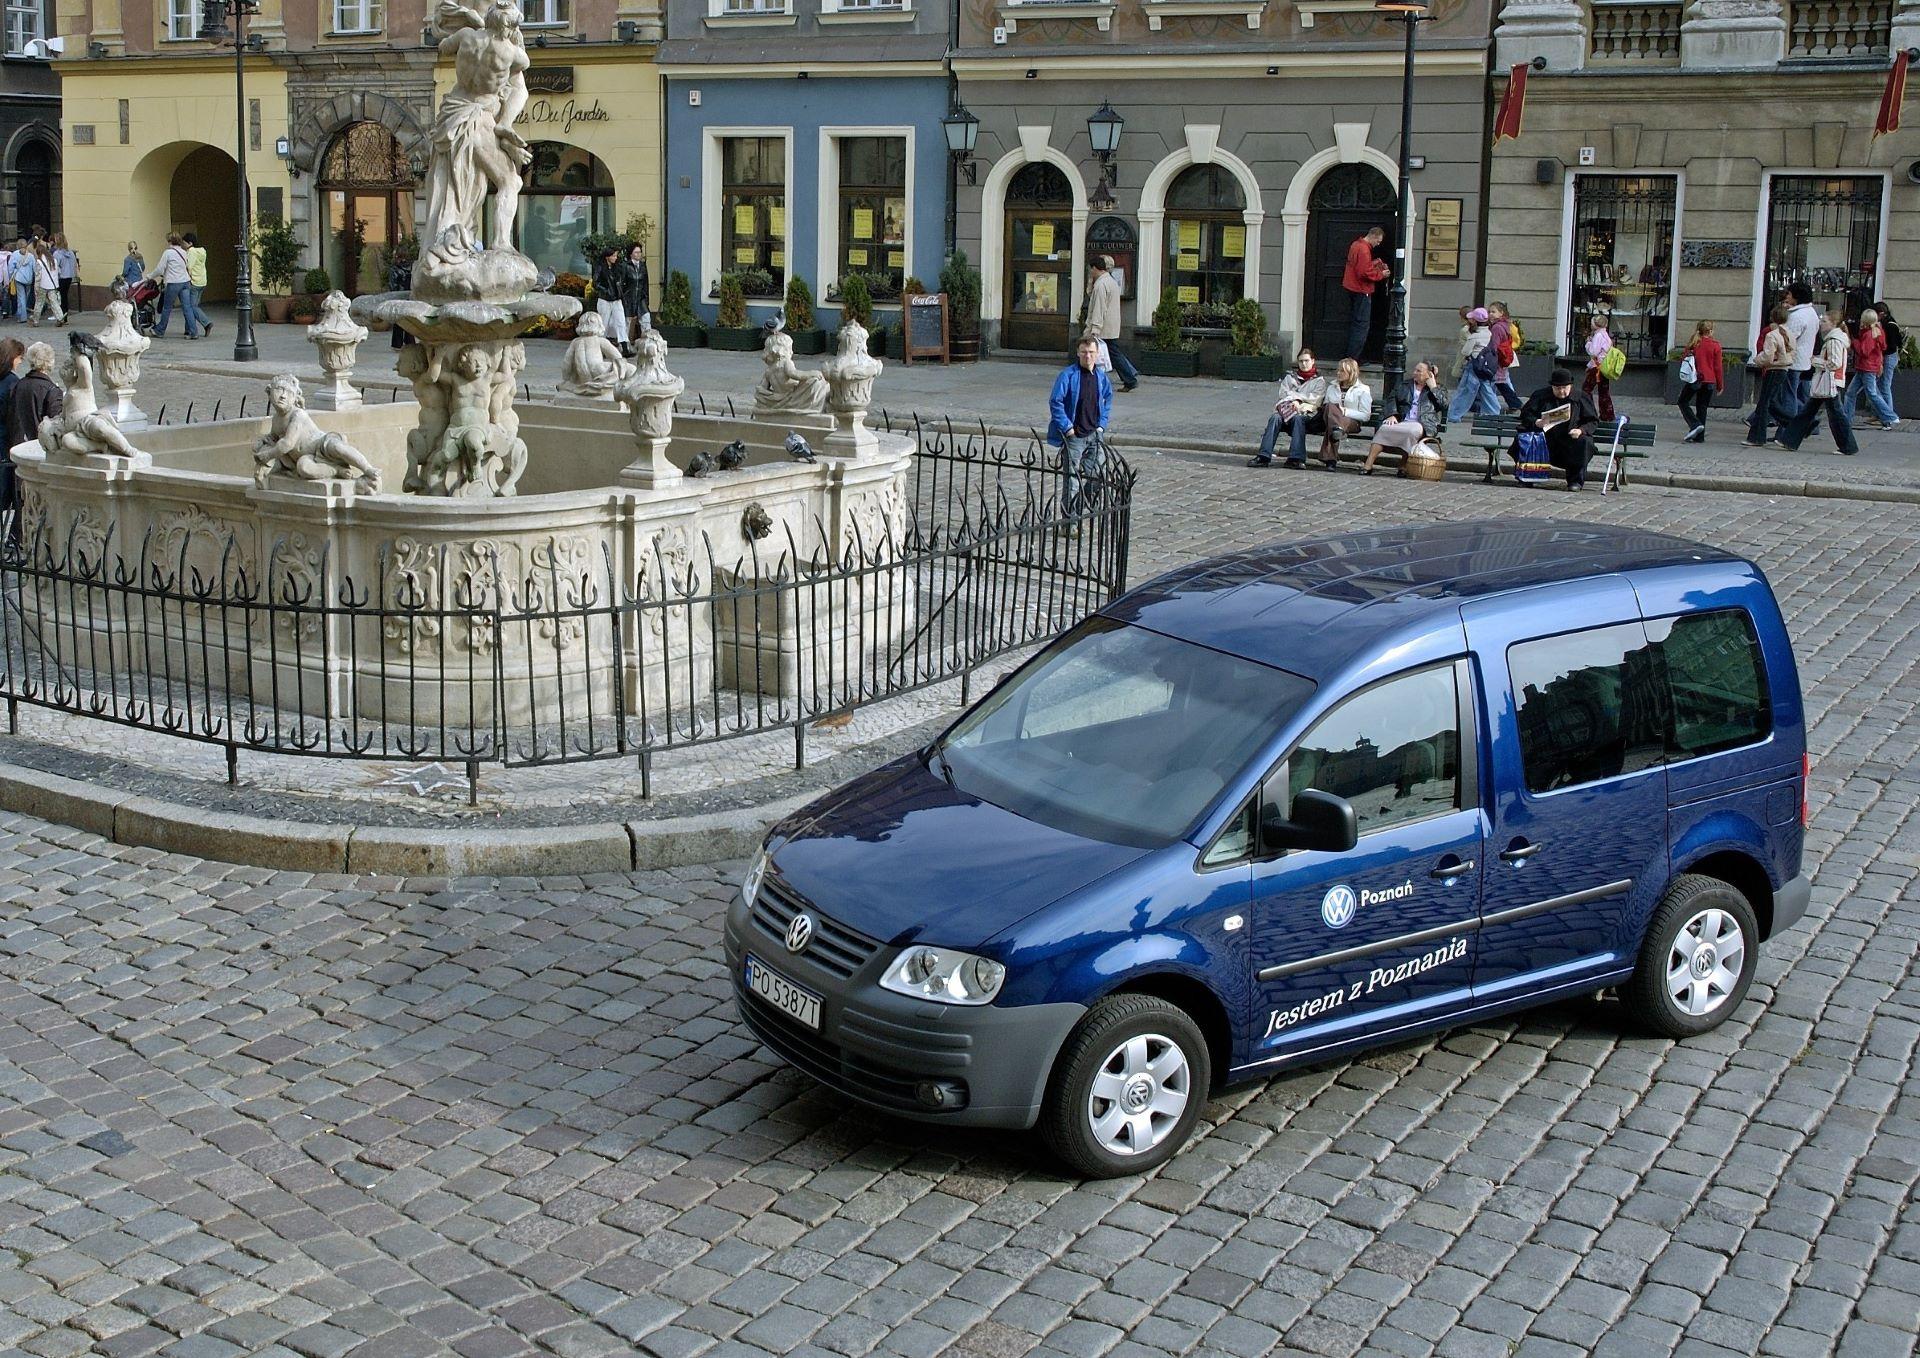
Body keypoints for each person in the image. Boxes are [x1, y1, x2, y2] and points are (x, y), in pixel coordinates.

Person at [1775, 307, 1857, 456]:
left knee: (1834, 415)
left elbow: (1834, 363)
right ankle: (1789, 440)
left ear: (1833, 324)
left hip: (1828, 381)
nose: (1821, 323)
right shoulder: (1835, 339)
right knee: (1809, 411)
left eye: (1824, 321)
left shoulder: (1833, 341)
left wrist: (1816, 361)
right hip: (1828, 381)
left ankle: (1847, 446)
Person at [1047, 335, 1112, 512]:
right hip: (1075, 436)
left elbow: (1107, 399)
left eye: (1091, 352)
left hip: (1094, 434)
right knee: (1072, 481)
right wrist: (1068, 428)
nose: (1088, 356)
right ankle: (1070, 522)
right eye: (1084, 352)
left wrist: (1101, 426)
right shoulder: (1068, 375)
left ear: (1098, 354)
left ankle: (1082, 508)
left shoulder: (1101, 377)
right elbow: (1056, 401)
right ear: (1078, 353)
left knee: (1097, 477)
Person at [1517, 367, 1601, 490]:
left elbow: (1592, 420)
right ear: (1552, 387)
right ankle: (1527, 477)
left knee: (1584, 443)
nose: (1561, 391)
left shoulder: (1581, 397)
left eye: (1564, 388)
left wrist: (1580, 430)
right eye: (1557, 388)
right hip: (1546, 439)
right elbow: (1526, 414)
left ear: (1570, 386)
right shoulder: (1541, 395)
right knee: (1527, 438)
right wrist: (1537, 422)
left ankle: (1575, 482)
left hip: (1570, 439)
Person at [1248, 349, 1329, 469]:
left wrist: (1296, 399)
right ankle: (1263, 456)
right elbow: (1283, 394)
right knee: (1275, 417)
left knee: (1298, 418)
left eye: (1306, 361)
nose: (1304, 364)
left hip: (1308, 415)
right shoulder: (1290, 378)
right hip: (1287, 412)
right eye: (1301, 361)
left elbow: (1315, 400)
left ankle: (1296, 458)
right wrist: (1297, 399)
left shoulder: (1319, 381)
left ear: (1312, 361)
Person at [1361, 361, 1445, 475]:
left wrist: (1433, 387)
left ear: (1429, 374)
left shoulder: (1438, 388)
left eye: (1419, 371)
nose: (1414, 373)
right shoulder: (1404, 385)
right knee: (1384, 428)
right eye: (1415, 370)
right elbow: (1391, 399)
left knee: (1411, 432)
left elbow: (1443, 405)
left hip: (1422, 423)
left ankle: (1403, 465)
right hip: (1402, 420)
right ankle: (1368, 464)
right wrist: (1392, 414)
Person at [1744, 304, 1797, 447]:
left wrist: (1757, 360)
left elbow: (1768, 356)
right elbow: (1793, 353)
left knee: (1764, 404)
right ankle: (1795, 425)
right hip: (1784, 369)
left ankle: (1757, 437)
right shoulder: (1790, 334)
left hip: (1773, 369)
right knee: (1771, 403)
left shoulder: (1772, 335)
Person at [1084, 255, 1137, 392]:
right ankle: (1129, 378)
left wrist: (1095, 327)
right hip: (1110, 325)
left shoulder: (1101, 285)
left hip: (1103, 327)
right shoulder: (1110, 281)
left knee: (1103, 353)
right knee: (1112, 353)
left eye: (1091, 270)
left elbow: (1099, 308)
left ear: (1095, 268)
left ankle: (1129, 379)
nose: (1090, 272)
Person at [1843, 308, 1898, 431]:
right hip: (1868, 366)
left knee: (1871, 394)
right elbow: (1882, 348)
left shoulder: (1869, 334)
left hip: (1866, 367)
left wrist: (1854, 341)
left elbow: (1864, 352)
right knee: (1852, 393)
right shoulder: (1877, 331)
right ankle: (1846, 420)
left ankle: (1889, 416)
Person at [1342, 226, 1389, 359]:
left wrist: (1374, 263)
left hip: (1352, 287)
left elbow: (1358, 266)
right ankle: (1353, 359)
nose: (1377, 244)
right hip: (1361, 290)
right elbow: (1364, 273)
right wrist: (1381, 274)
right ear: (1373, 236)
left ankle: (1351, 358)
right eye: (1378, 241)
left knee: (1355, 323)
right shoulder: (1364, 250)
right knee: (1361, 326)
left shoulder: (1356, 245)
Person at [1448, 308, 1502, 424]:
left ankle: (1454, 415)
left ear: (1476, 321)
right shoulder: (1489, 333)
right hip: (1486, 367)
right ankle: (1494, 412)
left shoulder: (1474, 336)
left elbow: (1465, 352)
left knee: (1465, 391)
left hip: (1474, 366)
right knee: (1487, 390)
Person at [1317, 357, 1372, 468]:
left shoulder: (1363, 390)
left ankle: (1330, 460)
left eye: (1342, 371)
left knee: (1333, 424)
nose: (1338, 373)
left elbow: (1365, 415)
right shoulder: (1332, 387)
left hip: (1351, 422)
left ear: (1351, 373)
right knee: (1331, 409)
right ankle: (1337, 431)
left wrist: (1345, 411)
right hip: (1331, 420)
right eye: (1338, 370)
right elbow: (1326, 408)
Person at [5, 341, 60, 452]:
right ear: (50, 362)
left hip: (19, 444)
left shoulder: (18, 384)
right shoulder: (51, 390)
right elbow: (56, 424)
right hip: (41, 447)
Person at [1676, 319, 1722, 443]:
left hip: (1695, 379)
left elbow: (1684, 359)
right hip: (1710, 380)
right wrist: (1720, 385)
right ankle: (1699, 436)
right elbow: (1718, 367)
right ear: (1711, 331)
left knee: (1683, 401)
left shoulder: (1694, 343)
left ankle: (1695, 424)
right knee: (1702, 407)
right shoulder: (1715, 345)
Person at [147, 234, 198, 338]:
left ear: (170, 241)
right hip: (185, 282)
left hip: (174, 282)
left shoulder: (168, 253)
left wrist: (149, 276)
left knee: (167, 308)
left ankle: (160, 330)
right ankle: (193, 332)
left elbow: (160, 269)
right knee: (187, 308)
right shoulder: (184, 252)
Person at [1783, 280, 1820, 407]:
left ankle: (1789, 424)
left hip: (1793, 361)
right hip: (1805, 359)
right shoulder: (1812, 313)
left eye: (1789, 294)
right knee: (1799, 396)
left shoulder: (1797, 315)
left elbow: (1788, 338)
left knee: (1789, 396)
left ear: (1796, 296)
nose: (1787, 296)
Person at [1870, 299, 1902, 427]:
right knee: (1882, 385)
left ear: (1881, 313)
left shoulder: (1889, 325)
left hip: (1889, 357)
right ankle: (1882, 414)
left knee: (1884, 386)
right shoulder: (1887, 322)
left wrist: (1881, 355)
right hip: (1889, 356)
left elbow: (1892, 345)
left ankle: (1888, 415)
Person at [591, 245, 628, 355]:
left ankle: (625, 347)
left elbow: (620, 281)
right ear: (607, 257)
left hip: (616, 299)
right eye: (613, 256)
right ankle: (600, 348)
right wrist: (606, 290)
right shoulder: (600, 267)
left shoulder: (617, 267)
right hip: (605, 300)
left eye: (616, 256)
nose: (615, 258)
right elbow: (595, 283)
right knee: (604, 324)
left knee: (621, 321)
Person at [1487, 302, 1524, 411]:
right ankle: (1515, 403)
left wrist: (1488, 356)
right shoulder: (1505, 324)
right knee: (1501, 382)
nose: (1491, 314)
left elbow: (1494, 345)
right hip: (1503, 357)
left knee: (1497, 383)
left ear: (1501, 313)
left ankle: (1513, 404)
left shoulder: (1496, 327)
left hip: (1497, 359)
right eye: (1489, 312)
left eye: (1493, 312)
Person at [1582, 313, 1615, 422]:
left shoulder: (1598, 336)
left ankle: (1589, 412)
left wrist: (1588, 343)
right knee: (1604, 391)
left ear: (1596, 325)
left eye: (1592, 323)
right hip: (1603, 366)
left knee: (1586, 390)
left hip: (1597, 367)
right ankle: (1607, 415)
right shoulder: (1605, 334)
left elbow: (1593, 351)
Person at [622, 242, 651, 350]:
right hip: (629, 297)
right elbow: (622, 283)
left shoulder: (643, 266)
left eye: (640, 252)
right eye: (636, 252)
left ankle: (647, 343)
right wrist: (623, 297)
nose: (639, 254)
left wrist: (646, 298)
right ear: (631, 254)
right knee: (626, 323)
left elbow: (646, 283)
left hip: (640, 297)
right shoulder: (626, 266)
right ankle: (625, 345)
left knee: (646, 319)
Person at [182, 233, 212, 340]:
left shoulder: (191, 251)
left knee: (190, 307)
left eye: (184, 243)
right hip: (202, 281)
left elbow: (189, 266)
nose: (183, 245)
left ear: (190, 243)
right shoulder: (202, 251)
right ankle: (188, 329)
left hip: (194, 282)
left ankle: (206, 323)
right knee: (192, 305)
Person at [27, 243, 61, 327]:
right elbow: (58, 272)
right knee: (54, 302)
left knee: (39, 303)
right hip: (53, 285)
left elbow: (38, 276)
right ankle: (60, 317)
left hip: (43, 285)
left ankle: (35, 320)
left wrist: (36, 287)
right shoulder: (54, 260)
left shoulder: (39, 262)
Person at [8, 240, 33, 323]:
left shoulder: (14, 254)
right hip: (29, 279)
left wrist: (10, 276)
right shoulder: (30, 256)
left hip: (19, 278)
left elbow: (10, 267)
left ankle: (22, 316)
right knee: (26, 297)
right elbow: (35, 268)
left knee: (21, 297)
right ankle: (24, 313)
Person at [52, 234, 76, 318]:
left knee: (59, 297)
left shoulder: (57, 253)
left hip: (61, 277)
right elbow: (74, 264)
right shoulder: (71, 253)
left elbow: (55, 266)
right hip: (69, 276)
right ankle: (65, 315)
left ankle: (60, 315)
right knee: (64, 296)